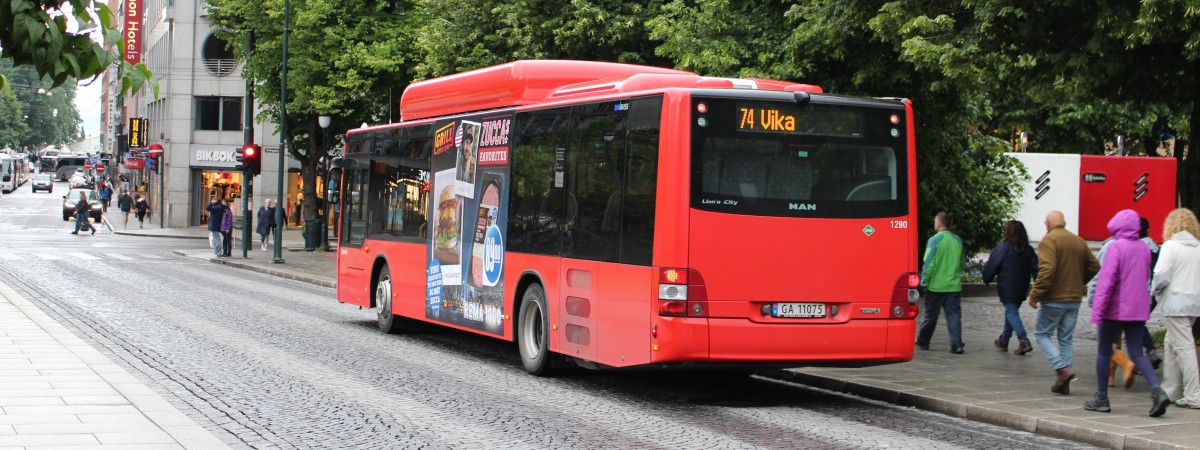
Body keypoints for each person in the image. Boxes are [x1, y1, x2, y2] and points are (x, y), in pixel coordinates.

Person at [1084, 209, 1172, 417]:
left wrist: (1098, 310)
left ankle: (1101, 397)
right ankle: (1157, 392)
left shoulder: (1115, 247)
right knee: (1137, 353)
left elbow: (1106, 282)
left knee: (1104, 350)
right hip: (1137, 309)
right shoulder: (1143, 248)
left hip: (1114, 309)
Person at [1028, 210, 1100, 395]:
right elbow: (1094, 265)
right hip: (1074, 299)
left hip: (1054, 298)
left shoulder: (1049, 241)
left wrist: (1035, 294)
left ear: (1048, 224)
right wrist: (1078, 281)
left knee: (1042, 334)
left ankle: (1062, 369)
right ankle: (1063, 382)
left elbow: (1047, 271)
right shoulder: (1078, 240)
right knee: (1065, 339)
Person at [1152, 208, 1200, 410]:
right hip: (1194, 303)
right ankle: (1170, 390)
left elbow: (1161, 274)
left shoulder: (1170, 246)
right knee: (1172, 344)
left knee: (1184, 348)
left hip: (1174, 304)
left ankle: (1194, 395)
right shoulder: (1198, 247)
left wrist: (1155, 290)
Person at [983, 220, 1038, 355]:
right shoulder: (1028, 250)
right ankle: (1004, 340)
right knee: (1011, 311)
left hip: (1007, 285)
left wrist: (987, 278)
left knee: (1011, 311)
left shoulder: (1003, 248)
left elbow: (993, 265)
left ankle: (1023, 340)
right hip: (1022, 286)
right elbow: (1037, 270)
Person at [916, 212, 966, 354]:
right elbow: (961, 262)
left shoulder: (934, 240)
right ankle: (957, 344)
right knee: (954, 315)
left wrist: (924, 281)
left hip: (936, 286)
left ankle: (923, 340)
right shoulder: (957, 240)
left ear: (938, 224)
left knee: (930, 315)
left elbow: (929, 263)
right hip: (953, 285)